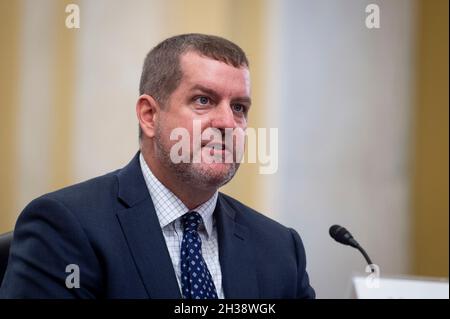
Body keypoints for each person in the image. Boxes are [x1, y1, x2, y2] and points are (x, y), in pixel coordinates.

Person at [0, 34, 315, 299]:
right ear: (149, 115)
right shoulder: (65, 227)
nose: (227, 123)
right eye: (203, 100)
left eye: (239, 107)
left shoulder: (280, 249)